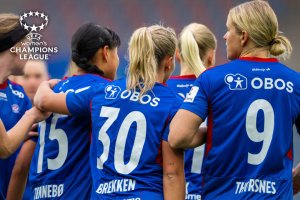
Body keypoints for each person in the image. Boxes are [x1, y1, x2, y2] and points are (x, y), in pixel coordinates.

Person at [34, 24, 185, 199]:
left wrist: (46, 84)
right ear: (169, 61)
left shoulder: (101, 93)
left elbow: (44, 101)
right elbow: (172, 173)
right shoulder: (172, 102)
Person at [169, 1, 298, 199]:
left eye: (229, 30)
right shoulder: (295, 82)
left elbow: (178, 136)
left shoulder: (213, 79)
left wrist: (215, 131)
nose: (225, 36)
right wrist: (291, 184)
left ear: (244, 36)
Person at [27, 23, 121, 200]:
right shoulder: (103, 91)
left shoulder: (54, 88)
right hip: (74, 194)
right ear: (106, 52)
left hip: (40, 193)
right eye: (117, 54)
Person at [166, 23, 216, 200]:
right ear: (211, 56)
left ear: (177, 55)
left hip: (168, 192)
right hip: (210, 193)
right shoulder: (220, 93)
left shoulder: (161, 91)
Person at [0, 12, 36, 199]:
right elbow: (4, 148)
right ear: (15, 48)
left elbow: (21, 166)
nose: (29, 53)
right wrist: (34, 114)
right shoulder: (30, 110)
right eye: (27, 46)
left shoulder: (19, 94)